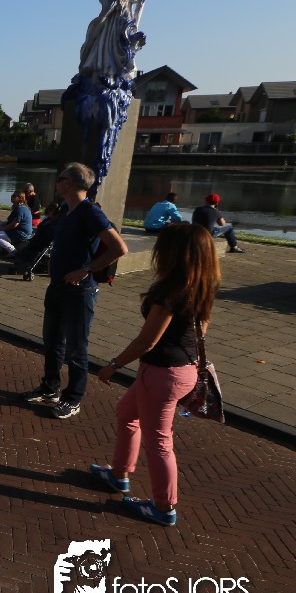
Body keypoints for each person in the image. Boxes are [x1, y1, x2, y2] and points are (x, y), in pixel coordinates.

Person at [90, 223, 220, 527]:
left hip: (162, 374)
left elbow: (147, 341)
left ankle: (164, 506)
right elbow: (202, 329)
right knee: (127, 413)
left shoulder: (170, 292)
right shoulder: (202, 286)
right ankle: (119, 474)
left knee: (159, 442)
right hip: (183, 369)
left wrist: (114, 365)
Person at [20, 162, 129, 419]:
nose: (56, 182)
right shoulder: (66, 210)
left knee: (76, 348)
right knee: (52, 341)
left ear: (69, 183)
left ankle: (73, 399)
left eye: (60, 178)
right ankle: (50, 388)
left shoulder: (90, 213)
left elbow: (119, 248)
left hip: (79, 292)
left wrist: (86, 269)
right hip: (57, 287)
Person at [0, 191, 33, 255]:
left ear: (20, 198)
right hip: (18, 230)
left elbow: (14, 225)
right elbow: (13, 221)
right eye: (12, 195)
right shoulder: (19, 207)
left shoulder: (20, 209)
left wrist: (1, 229)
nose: (11, 197)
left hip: (21, 233)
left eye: (14, 196)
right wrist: (2, 223)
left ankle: (12, 251)